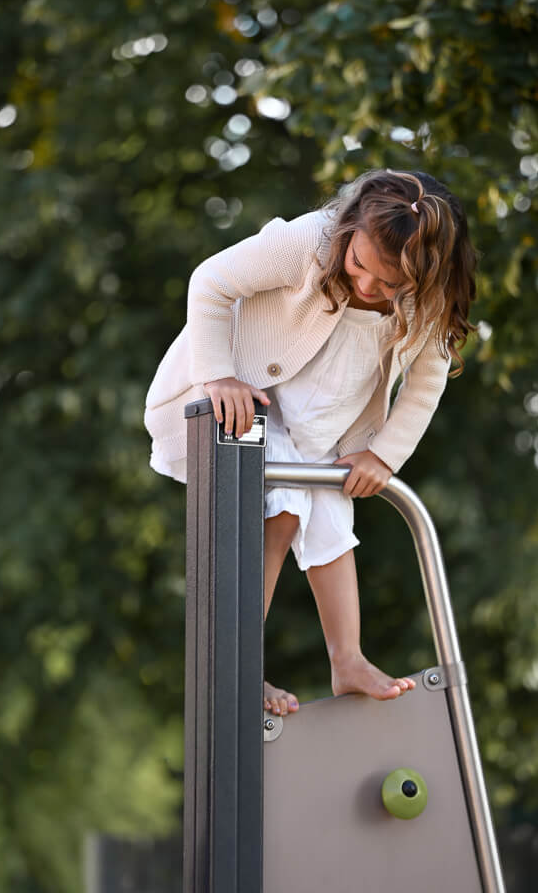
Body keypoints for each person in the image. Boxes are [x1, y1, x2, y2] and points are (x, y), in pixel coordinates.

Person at [144, 168, 477, 717]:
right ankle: (238, 663)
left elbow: (426, 380)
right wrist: (219, 374)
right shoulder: (308, 242)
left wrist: (383, 455)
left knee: (330, 517)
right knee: (284, 506)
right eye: (361, 265)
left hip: (318, 429)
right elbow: (210, 281)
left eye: (392, 285)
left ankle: (347, 659)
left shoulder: (429, 300)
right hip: (240, 399)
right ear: (349, 231)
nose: (370, 287)